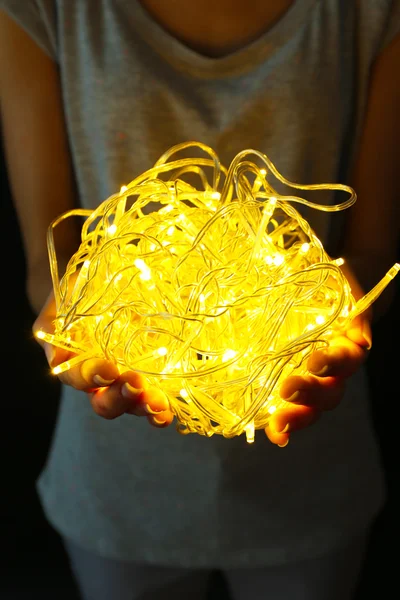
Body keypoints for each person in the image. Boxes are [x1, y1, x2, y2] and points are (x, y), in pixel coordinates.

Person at [0, 1, 399, 598]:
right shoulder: (44, 8)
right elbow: (47, 258)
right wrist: (73, 319)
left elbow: (372, 251)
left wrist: (343, 305)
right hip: (115, 491)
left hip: (312, 488)